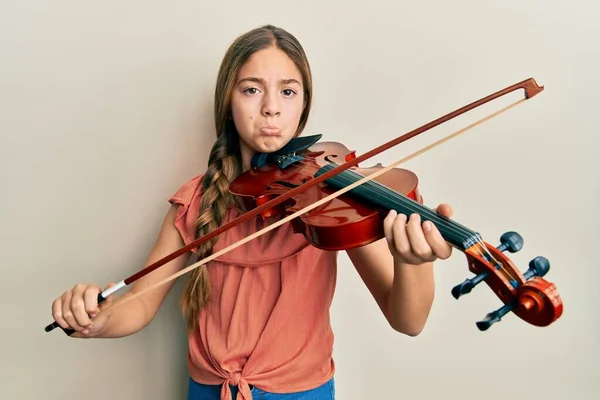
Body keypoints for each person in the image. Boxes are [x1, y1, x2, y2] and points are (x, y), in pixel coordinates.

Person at [50, 24, 454, 400]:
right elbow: (139, 303)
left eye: (288, 92)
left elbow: (408, 320)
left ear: (303, 107)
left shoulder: (332, 195)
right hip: (209, 392)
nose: (271, 108)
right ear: (228, 100)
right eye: (252, 90)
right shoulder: (194, 200)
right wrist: (97, 321)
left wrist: (412, 262)